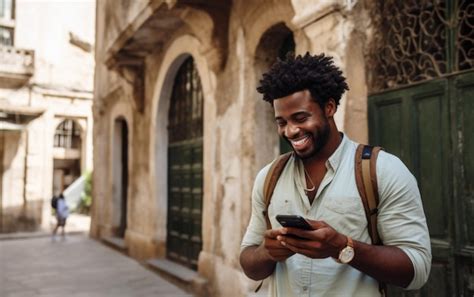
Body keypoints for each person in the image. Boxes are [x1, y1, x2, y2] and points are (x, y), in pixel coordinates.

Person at [240, 53, 431, 296]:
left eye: (300, 118)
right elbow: (249, 264)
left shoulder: (383, 170)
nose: (290, 131)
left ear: (329, 107)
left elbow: (417, 270)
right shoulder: (269, 177)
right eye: (282, 122)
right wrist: (267, 252)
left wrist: (342, 247)